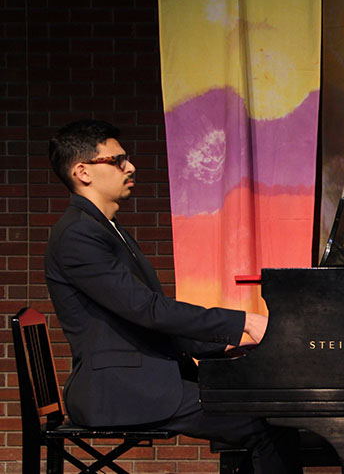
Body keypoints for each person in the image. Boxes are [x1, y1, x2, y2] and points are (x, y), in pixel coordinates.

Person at [45, 119, 300, 473]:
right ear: (82, 172)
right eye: (117, 160)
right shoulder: (78, 235)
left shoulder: (107, 230)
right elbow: (147, 310)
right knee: (262, 422)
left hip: (136, 380)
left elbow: (145, 318)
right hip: (117, 390)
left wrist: (225, 344)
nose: (130, 167)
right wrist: (244, 322)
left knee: (266, 416)